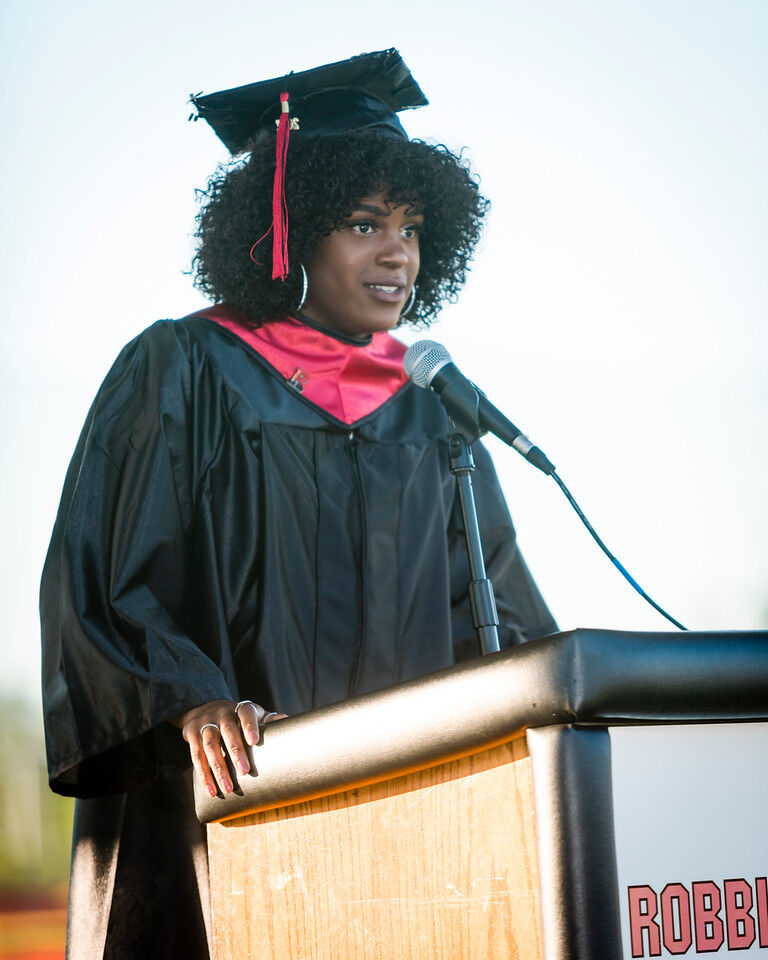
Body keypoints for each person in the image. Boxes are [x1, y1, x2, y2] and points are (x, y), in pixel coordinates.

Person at [41, 49, 556, 960]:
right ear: (290, 231)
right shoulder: (187, 368)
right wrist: (189, 701)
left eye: (410, 227)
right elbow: (106, 577)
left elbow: (498, 622)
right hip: (222, 810)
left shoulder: (429, 409)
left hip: (407, 826)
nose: (397, 251)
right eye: (363, 223)